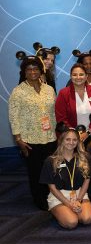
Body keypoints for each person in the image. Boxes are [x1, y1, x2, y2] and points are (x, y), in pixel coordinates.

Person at [9, 56, 58, 210]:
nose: (32, 72)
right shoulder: (18, 91)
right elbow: (13, 115)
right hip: (30, 139)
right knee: (35, 171)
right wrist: (18, 138)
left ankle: (53, 196)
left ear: (41, 70)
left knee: (51, 168)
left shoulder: (49, 89)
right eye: (28, 69)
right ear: (24, 72)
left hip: (50, 137)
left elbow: (54, 113)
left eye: (35, 68)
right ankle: (39, 199)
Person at [38, 128, 91, 229]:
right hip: (60, 196)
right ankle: (59, 211)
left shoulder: (85, 157)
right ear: (61, 141)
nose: (71, 142)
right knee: (71, 222)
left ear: (78, 142)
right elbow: (52, 187)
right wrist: (68, 204)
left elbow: (87, 180)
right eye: (67, 139)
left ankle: (71, 211)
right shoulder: (51, 160)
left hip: (79, 194)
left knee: (87, 219)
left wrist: (79, 200)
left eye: (74, 140)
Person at [55, 63, 91, 142]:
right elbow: (61, 118)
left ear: (86, 76)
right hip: (71, 138)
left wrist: (89, 131)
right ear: (71, 77)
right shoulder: (63, 93)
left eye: (81, 74)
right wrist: (75, 133)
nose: (78, 77)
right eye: (75, 75)